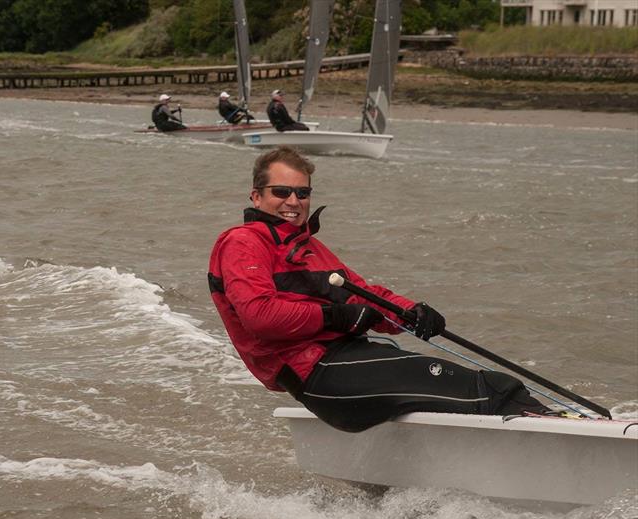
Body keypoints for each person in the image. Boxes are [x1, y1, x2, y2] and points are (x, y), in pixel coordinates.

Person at [208, 146, 548, 433]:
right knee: (488, 389)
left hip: (345, 361)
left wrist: (411, 311)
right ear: (257, 195)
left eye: (303, 192)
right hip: (317, 373)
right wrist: (338, 317)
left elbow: (364, 295)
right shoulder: (242, 242)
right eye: (282, 192)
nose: (293, 201)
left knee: (459, 384)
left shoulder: (309, 248)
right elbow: (260, 316)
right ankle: (550, 428)